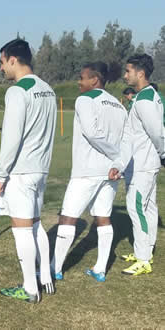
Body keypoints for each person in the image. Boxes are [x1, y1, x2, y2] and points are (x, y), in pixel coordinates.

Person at [0, 39, 57, 303]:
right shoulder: (48, 89)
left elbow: (11, 137)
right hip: (41, 169)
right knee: (36, 225)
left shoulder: (18, 91)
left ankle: (30, 288)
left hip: (20, 171)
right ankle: (46, 277)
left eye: (2, 62)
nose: (0, 68)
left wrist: (0, 175)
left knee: (21, 229)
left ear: (13, 60)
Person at [50, 62, 127, 283]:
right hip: (111, 172)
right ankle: (100, 269)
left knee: (67, 218)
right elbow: (126, 139)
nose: (79, 81)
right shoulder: (118, 105)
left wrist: (114, 155)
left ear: (95, 80)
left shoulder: (85, 99)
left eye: (82, 77)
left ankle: (55, 267)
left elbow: (92, 134)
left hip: (87, 170)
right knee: (103, 217)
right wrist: (118, 161)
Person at [108, 54, 164, 276]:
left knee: (136, 207)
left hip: (143, 166)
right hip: (139, 164)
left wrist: (163, 154)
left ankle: (143, 259)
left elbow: (157, 133)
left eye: (128, 71)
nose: (125, 75)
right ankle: (146, 252)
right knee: (149, 208)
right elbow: (131, 137)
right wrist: (120, 164)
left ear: (140, 73)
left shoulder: (145, 101)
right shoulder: (145, 97)